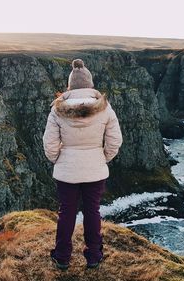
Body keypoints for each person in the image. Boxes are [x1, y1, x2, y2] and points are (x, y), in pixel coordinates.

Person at [42, 58, 123, 270]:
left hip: (66, 172)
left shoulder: (57, 109)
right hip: (95, 170)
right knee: (92, 211)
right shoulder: (104, 108)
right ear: (90, 84)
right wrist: (102, 158)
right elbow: (115, 140)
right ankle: (94, 256)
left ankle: (61, 257)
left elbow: (49, 143)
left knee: (66, 212)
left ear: (70, 86)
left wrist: (58, 160)